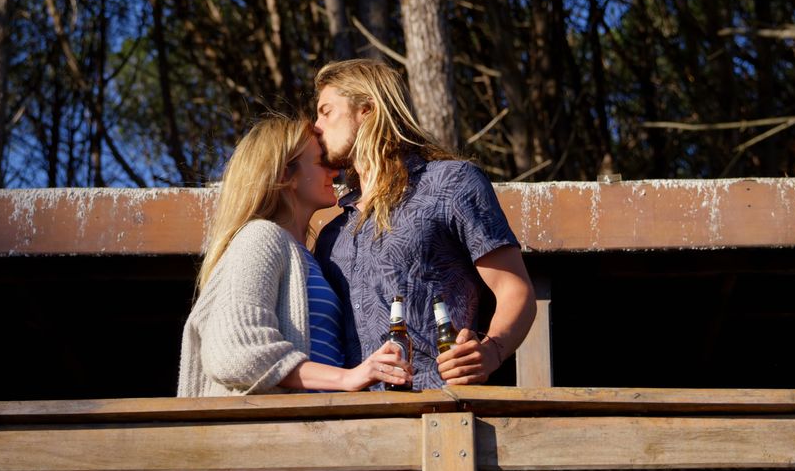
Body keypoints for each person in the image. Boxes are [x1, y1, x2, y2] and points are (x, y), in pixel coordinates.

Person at [312, 59, 537, 390]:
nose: (316, 126)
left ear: (367, 109)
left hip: (438, 410)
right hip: (353, 425)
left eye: (326, 111)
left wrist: (491, 351)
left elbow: (515, 289)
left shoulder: (452, 182)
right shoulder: (333, 233)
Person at [178, 116, 413, 397]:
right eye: (321, 162)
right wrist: (348, 378)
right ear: (285, 176)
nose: (335, 171)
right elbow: (235, 350)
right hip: (270, 436)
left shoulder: (307, 257)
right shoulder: (261, 238)